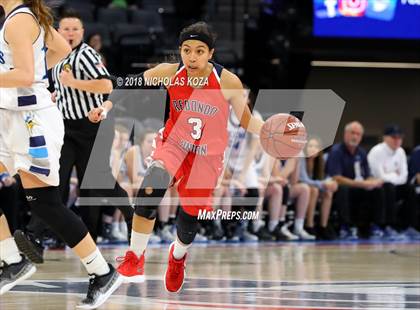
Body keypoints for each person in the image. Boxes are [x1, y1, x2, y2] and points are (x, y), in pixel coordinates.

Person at [112, 21, 266, 291]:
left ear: (210, 53)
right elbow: (126, 83)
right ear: (180, 51)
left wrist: (269, 131)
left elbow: (247, 121)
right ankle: (135, 257)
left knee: (188, 222)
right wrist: (105, 99)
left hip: (207, 155)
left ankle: (177, 257)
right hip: (174, 145)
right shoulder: (168, 72)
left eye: (199, 51)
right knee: (150, 189)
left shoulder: (227, 81)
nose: (192, 56)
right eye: (186, 50)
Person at [0, 1, 122, 307]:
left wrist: (35, 77)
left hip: (31, 120)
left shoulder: (19, 22)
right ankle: (11, 260)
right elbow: (60, 51)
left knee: (46, 204)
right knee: (44, 203)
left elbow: (26, 75)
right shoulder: (26, 18)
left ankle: (102, 271)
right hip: (13, 114)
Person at [326, 121, 385, 240]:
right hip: (340, 187)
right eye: (352, 133)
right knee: (344, 189)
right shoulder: (337, 151)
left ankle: (375, 226)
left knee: (378, 189)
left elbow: (367, 175)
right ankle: (345, 226)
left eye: (358, 134)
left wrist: (373, 181)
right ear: (345, 134)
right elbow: (336, 178)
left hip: (358, 187)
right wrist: (362, 184)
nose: (355, 136)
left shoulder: (361, 152)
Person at [368, 125, 420, 240]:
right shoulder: (376, 151)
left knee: (409, 189)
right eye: (394, 137)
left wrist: (390, 175)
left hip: (394, 186)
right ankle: (389, 226)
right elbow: (380, 177)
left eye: (399, 138)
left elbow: (404, 177)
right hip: (377, 188)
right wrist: (394, 175)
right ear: (385, 138)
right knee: (389, 186)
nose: (397, 140)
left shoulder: (400, 152)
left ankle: (409, 226)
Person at [300, 137, 338, 240]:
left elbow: (325, 177)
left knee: (328, 193)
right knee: (314, 190)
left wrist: (330, 183)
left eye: (316, 147)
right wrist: (323, 184)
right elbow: (304, 180)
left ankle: (323, 226)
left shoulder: (320, 161)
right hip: (301, 188)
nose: (313, 149)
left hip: (312, 188)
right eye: (310, 146)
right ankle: (309, 225)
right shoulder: (301, 159)